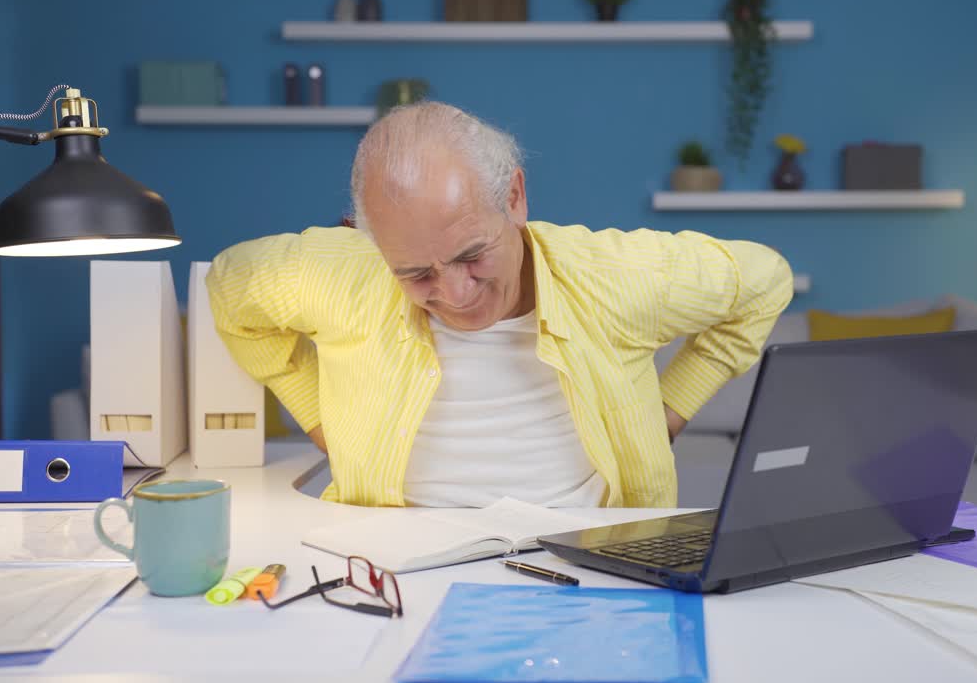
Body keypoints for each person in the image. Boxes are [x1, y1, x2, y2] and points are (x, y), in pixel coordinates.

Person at [206, 101, 793, 508]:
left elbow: (766, 279)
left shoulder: (620, 275)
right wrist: (321, 420)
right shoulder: (339, 271)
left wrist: (666, 411)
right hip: (394, 568)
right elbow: (229, 286)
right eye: (415, 272)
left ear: (514, 197)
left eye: (471, 254)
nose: (456, 295)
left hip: (591, 558)